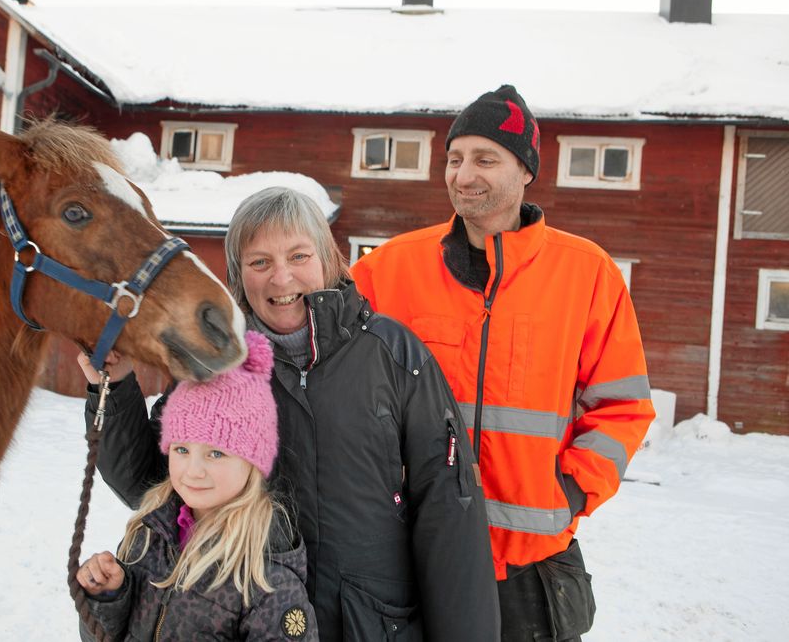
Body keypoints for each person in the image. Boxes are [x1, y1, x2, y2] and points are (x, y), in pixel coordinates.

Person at [78, 186, 499, 641]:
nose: (282, 279)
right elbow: (148, 480)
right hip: (249, 622)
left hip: (371, 626)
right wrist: (114, 387)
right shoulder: (217, 363)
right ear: (239, 278)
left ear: (328, 260)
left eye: (298, 256)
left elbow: (449, 512)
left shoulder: (393, 355)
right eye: (260, 262)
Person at [350, 84, 656, 641]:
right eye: (455, 158)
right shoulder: (388, 269)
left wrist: (570, 493)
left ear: (525, 171)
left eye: (486, 158)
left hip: (531, 570)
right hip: (411, 556)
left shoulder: (587, 274)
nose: (464, 174)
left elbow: (623, 406)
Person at [77, 331, 317, 641]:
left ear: (252, 462)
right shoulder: (149, 534)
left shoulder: (267, 579)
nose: (193, 471)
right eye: (181, 450)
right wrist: (109, 598)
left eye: (216, 453)